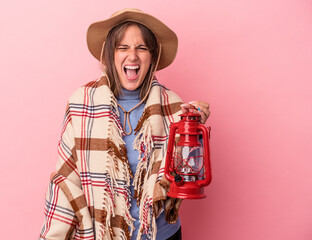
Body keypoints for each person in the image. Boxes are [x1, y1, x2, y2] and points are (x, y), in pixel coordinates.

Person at [39, 8, 210, 240]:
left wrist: (193, 130)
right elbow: (66, 181)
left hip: (162, 235)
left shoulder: (173, 106)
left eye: (142, 48)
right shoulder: (81, 104)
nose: (132, 56)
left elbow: (184, 177)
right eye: (123, 47)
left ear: (153, 57)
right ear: (110, 54)